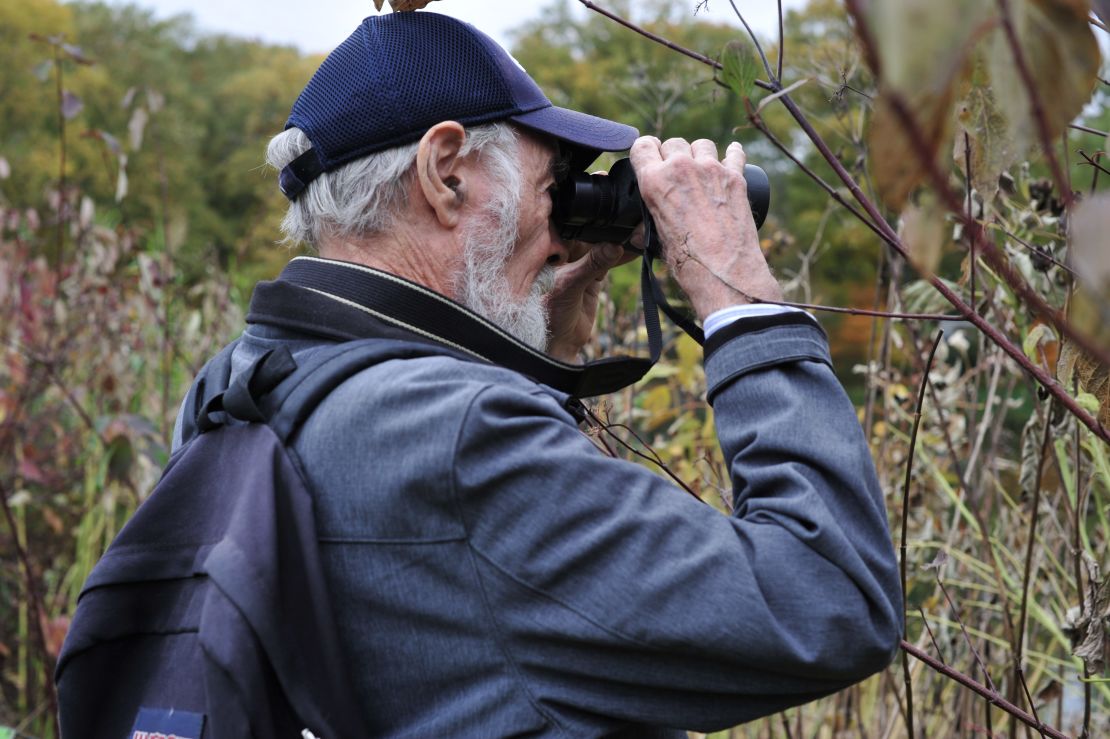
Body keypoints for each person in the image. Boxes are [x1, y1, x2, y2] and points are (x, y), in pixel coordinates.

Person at [180, 10, 902, 737]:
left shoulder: (239, 386)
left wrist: (535, 355)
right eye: (552, 186)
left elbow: (453, 637)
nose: (562, 235)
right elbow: (831, 595)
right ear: (447, 173)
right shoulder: (463, 437)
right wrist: (735, 290)